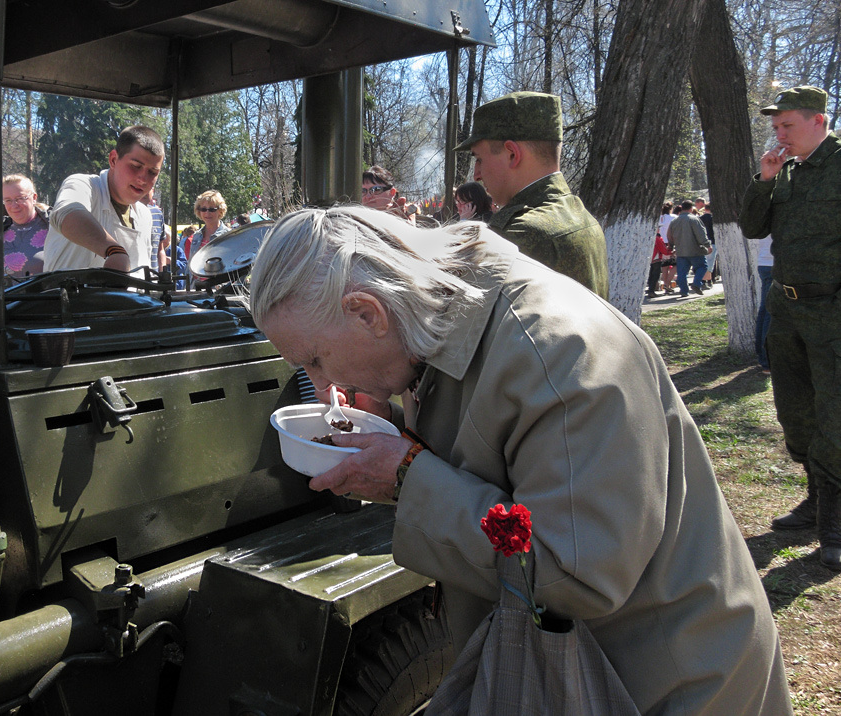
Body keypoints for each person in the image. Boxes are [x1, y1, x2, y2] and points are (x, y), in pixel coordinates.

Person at [249, 205, 791, 716]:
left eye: (315, 360)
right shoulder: (436, 320)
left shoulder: (559, 353)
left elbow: (575, 573)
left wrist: (408, 473)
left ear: (368, 313)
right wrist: (400, 429)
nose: (324, 385)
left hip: (663, 684)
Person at [738, 85, 841, 568]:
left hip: (833, 313)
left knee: (835, 416)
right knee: (795, 411)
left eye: (787, 126)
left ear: (818, 120)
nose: (779, 135)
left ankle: (836, 521)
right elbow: (753, 228)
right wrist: (766, 178)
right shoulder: (787, 171)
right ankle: (815, 498)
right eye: (775, 127)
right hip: (788, 309)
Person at [456, 91, 609, 299]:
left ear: (512, 154)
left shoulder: (522, 234)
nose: (477, 174)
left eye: (480, 159)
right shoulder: (581, 216)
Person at [44, 125, 165, 272]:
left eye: (152, 172)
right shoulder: (83, 185)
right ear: (113, 159)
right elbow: (66, 213)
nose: (143, 179)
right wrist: (114, 251)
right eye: (135, 166)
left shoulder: (145, 216)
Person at [0, 174, 48, 280]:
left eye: (20, 198)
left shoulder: (53, 228)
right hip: (6, 296)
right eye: (8, 200)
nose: (14, 205)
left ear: (34, 198)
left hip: (47, 295)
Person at [667, 200, 712, 297]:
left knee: (682, 272)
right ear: (691, 208)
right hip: (695, 250)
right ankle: (696, 283)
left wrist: (671, 246)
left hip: (681, 250)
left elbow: (669, 235)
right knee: (702, 266)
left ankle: (684, 291)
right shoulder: (694, 219)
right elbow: (701, 235)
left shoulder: (674, 221)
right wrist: (707, 245)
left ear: (681, 208)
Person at [184, 190, 230, 260]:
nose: (207, 213)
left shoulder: (229, 236)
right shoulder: (196, 236)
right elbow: (190, 266)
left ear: (220, 211)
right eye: (203, 209)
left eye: (212, 209)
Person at [754, 235, 773, 371]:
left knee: (765, 310)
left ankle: (762, 356)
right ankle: (766, 359)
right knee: (769, 312)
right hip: (773, 264)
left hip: (765, 262)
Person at [699, 200, 717, 288]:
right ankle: (707, 280)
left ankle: (706, 280)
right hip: (712, 242)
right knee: (710, 262)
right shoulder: (713, 219)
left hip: (701, 242)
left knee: (703, 261)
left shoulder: (700, 218)